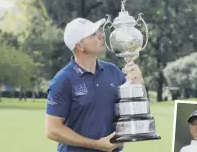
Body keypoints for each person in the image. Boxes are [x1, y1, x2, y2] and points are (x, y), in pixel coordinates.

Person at [45, 17, 144, 152]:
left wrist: (138, 82)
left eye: (98, 31)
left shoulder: (113, 71)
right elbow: (52, 130)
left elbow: (136, 108)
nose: (101, 35)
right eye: (93, 34)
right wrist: (97, 144)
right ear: (79, 45)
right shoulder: (63, 80)